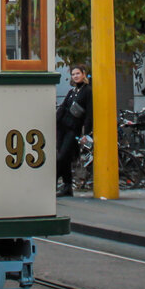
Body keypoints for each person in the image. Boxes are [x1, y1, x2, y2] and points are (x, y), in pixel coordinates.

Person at [55, 65, 93, 197]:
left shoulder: (87, 91)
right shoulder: (72, 91)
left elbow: (89, 113)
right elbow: (62, 108)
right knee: (64, 158)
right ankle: (67, 186)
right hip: (62, 128)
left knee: (61, 157)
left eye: (77, 73)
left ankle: (52, 182)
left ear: (83, 74)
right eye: (73, 74)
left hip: (73, 129)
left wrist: (86, 133)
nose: (75, 76)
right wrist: (54, 122)